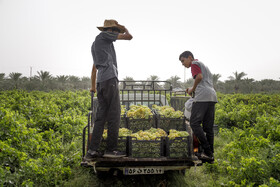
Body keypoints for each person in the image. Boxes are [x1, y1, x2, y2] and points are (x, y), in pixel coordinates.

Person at [85, 19, 133, 160]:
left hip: (101, 81)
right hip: (109, 79)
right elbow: (129, 37)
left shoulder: (98, 45)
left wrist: (93, 86)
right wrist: (124, 28)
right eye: (115, 30)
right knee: (115, 114)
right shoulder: (103, 36)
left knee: (101, 117)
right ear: (110, 30)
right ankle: (111, 149)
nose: (116, 34)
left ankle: (92, 151)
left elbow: (94, 69)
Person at [179, 51, 217, 161]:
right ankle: (210, 154)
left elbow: (199, 77)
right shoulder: (204, 65)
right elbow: (204, 81)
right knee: (208, 127)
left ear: (190, 57)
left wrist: (192, 89)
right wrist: (193, 89)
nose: (183, 64)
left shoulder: (194, 64)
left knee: (194, 123)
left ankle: (207, 150)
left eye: (183, 61)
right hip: (212, 96)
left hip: (202, 98)